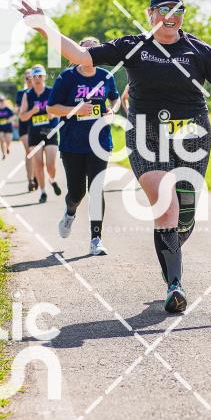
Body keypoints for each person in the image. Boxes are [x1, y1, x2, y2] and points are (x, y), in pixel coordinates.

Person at [17, 0, 211, 313]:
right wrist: (44, 25)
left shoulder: (198, 51)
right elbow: (81, 55)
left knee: (185, 211)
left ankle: (173, 245)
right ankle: (175, 285)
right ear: (150, 14)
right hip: (146, 134)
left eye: (177, 10)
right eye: (163, 9)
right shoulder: (134, 46)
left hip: (192, 133)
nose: (170, 16)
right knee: (165, 205)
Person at [47, 36, 121, 256]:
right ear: (77, 53)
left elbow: (115, 98)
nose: (89, 55)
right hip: (72, 144)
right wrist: (75, 110)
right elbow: (51, 108)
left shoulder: (106, 76)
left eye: (93, 51)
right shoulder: (67, 77)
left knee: (96, 188)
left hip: (100, 142)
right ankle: (70, 213)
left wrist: (113, 109)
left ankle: (96, 239)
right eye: (84, 50)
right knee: (76, 193)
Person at [18, 64, 61, 204]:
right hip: (34, 133)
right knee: (38, 164)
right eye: (34, 76)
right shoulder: (27, 95)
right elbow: (22, 117)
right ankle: (43, 192)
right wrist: (32, 112)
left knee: (50, 164)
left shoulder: (51, 91)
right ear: (31, 78)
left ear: (44, 77)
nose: (37, 79)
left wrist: (52, 114)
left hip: (49, 131)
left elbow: (59, 110)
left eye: (40, 76)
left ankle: (52, 180)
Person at [16, 68, 37, 191]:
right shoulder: (21, 93)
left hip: (37, 126)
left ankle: (36, 175)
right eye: (27, 77)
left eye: (31, 77)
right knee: (29, 151)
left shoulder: (40, 92)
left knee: (36, 152)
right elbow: (18, 109)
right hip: (24, 125)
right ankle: (30, 180)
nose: (29, 79)